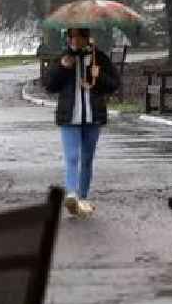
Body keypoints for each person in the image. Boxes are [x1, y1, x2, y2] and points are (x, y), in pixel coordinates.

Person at [46, 28, 120, 217]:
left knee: (86, 159)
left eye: (78, 36)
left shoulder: (99, 57)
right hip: (70, 117)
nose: (74, 40)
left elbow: (114, 84)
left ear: (86, 38)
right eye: (71, 36)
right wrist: (63, 67)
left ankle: (83, 198)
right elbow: (49, 85)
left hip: (93, 117)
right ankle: (72, 195)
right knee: (72, 157)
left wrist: (98, 75)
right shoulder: (63, 57)